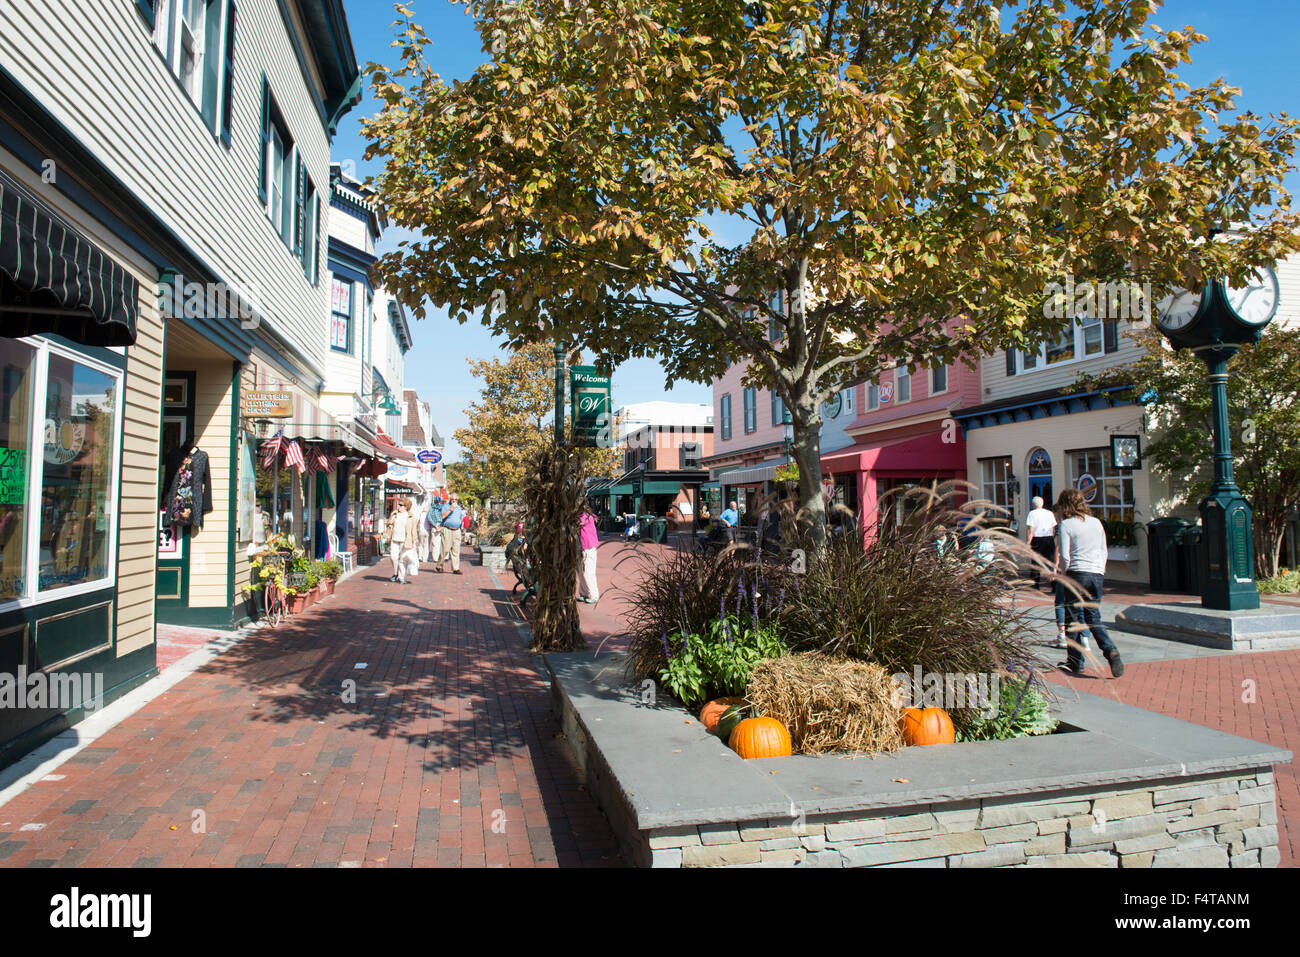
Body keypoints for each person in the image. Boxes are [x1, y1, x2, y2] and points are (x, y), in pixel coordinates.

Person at [1055, 488, 1123, 677]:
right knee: (1093, 617)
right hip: (1096, 574)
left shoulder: (1066, 524)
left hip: (1077, 573)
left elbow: (1065, 556)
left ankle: (1075, 662)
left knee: (1073, 618)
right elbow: (1103, 550)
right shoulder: (1096, 522)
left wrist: (1064, 575)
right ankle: (1111, 651)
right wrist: (1100, 570)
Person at [1025, 496, 1058, 589]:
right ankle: (1054, 585)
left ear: (1033, 504)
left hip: (1037, 539)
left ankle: (1036, 585)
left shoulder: (1032, 514)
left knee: (1036, 563)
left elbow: (1030, 530)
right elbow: (1054, 528)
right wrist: (1051, 537)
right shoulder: (1049, 513)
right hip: (1049, 538)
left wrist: (1028, 542)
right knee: (1050, 562)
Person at [384, 497, 416, 584]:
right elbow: (389, 524)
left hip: (405, 540)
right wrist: (390, 523)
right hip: (394, 538)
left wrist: (414, 540)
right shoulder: (394, 514)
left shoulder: (410, 516)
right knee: (393, 557)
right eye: (398, 504)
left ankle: (401, 576)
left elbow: (413, 529)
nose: (398, 506)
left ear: (406, 507)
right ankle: (395, 573)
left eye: (401, 505)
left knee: (402, 559)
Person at [437, 493, 465, 574]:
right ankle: (439, 565)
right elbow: (442, 516)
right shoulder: (445, 506)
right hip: (447, 529)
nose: (454, 501)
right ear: (450, 499)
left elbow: (460, 518)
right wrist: (450, 509)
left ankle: (455, 568)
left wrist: (461, 528)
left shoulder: (459, 508)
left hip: (457, 530)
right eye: (452, 499)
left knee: (456, 550)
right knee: (445, 549)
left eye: (456, 500)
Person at [577, 504, 600, 604]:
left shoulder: (585, 516)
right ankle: (584, 593)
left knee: (588, 572)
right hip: (582, 547)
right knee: (580, 572)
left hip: (589, 547)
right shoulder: (583, 515)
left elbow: (578, 523)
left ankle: (594, 595)